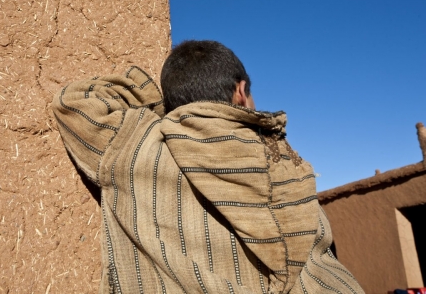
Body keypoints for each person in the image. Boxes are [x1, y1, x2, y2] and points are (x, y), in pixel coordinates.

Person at [52, 40, 364, 293]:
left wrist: (161, 102)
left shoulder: (136, 144)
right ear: (240, 92)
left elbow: (75, 100)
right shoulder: (284, 165)